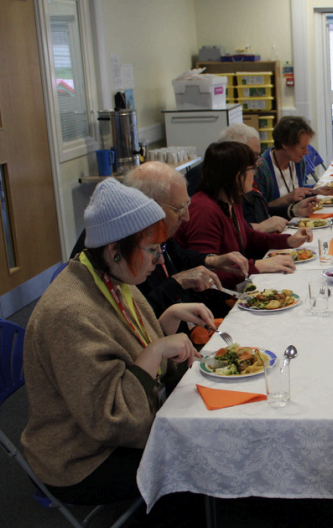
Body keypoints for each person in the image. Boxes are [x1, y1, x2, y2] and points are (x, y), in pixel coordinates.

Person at [22, 179, 210, 522]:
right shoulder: (70, 313)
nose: (158, 260)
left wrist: (166, 321)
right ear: (115, 250)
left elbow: (125, 347)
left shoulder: (111, 276)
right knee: (194, 456)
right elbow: (110, 420)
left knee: (201, 430)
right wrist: (156, 350)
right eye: (152, 250)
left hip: (110, 431)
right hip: (81, 457)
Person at [123, 161, 250, 319]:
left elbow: (179, 255)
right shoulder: (127, 250)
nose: (187, 217)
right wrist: (177, 282)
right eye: (179, 209)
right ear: (151, 207)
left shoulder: (161, 236)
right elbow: (141, 316)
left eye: (186, 206)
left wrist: (213, 260)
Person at [174, 141, 310, 289]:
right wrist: (257, 266)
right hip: (215, 296)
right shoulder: (204, 211)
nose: (254, 175)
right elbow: (206, 275)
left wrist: (288, 241)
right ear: (238, 176)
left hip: (234, 285)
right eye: (253, 169)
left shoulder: (231, 199)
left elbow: (248, 236)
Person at [217, 123, 317, 229]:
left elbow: (261, 215)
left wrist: (293, 210)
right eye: (254, 157)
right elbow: (238, 231)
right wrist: (261, 227)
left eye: (258, 156)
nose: (259, 162)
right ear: (233, 158)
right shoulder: (221, 199)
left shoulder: (239, 189)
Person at [257, 116, 333, 209]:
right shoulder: (261, 169)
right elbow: (261, 209)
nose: (306, 152)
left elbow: (297, 189)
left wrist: (314, 190)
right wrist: (287, 199)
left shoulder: (298, 162)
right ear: (285, 144)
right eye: (303, 147)